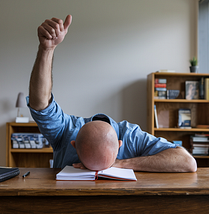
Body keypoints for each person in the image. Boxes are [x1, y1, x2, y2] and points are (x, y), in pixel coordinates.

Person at [28, 15, 197, 172]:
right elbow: (41, 104)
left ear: (119, 145)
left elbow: (187, 162)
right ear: (73, 145)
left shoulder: (131, 136)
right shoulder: (65, 131)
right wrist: (46, 49)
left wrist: (121, 164)